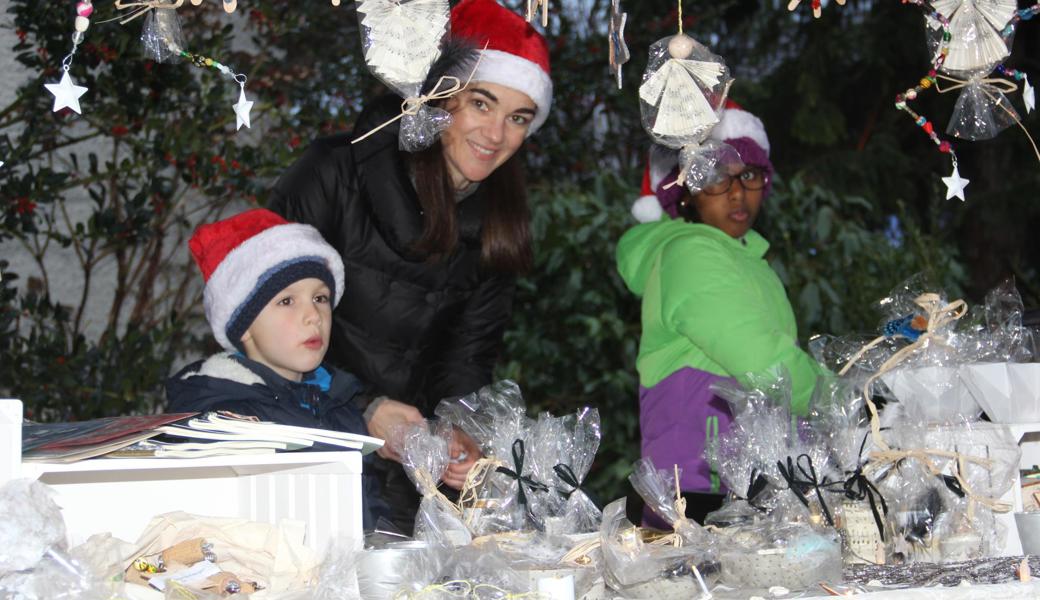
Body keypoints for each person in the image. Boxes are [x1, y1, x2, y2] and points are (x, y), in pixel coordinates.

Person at [267, 0, 553, 532]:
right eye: (481, 103)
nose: (496, 135)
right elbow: (259, 323)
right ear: (437, 96)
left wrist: (462, 433)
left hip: (407, 478)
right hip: (297, 450)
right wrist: (362, 406)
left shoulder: (498, 222)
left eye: (518, 118)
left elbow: (468, 358)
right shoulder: (334, 172)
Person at [616, 102, 826, 524]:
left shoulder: (750, 259)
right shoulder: (691, 253)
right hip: (698, 485)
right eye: (714, 176)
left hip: (743, 479)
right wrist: (841, 400)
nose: (736, 192)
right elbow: (761, 359)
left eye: (748, 174)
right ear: (685, 192)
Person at [166, 208, 388, 528]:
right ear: (243, 326)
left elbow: (367, 505)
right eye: (287, 301)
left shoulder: (339, 402)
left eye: (321, 298)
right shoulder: (222, 418)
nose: (313, 315)